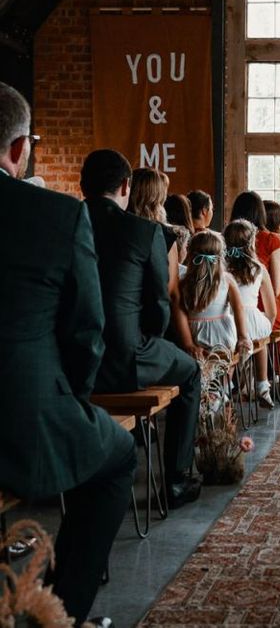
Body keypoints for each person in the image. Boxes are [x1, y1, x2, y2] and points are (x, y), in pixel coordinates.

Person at [0, 83, 136, 626]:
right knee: (117, 456)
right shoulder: (56, 216)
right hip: (23, 417)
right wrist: (75, 402)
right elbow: (87, 331)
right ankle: (61, 611)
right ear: (16, 150)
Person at [81, 150, 202, 509]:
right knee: (192, 372)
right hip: (126, 357)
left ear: (82, 185)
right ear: (125, 186)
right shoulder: (144, 231)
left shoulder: (64, 223)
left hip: (73, 367)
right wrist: (147, 340)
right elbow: (159, 305)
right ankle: (177, 480)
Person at [128, 167, 200, 358]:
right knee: (191, 370)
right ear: (158, 198)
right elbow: (172, 293)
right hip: (154, 327)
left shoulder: (118, 229)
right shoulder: (165, 235)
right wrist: (188, 343)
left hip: (119, 322)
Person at [230, 191, 280, 374]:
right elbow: (275, 288)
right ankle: (265, 379)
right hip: (263, 305)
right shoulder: (272, 239)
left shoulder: (227, 236)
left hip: (231, 309)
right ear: (260, 212)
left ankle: (239, 378)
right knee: (279, 322)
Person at [223, 219, 277, 408]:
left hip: (227, 322)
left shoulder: (221, 269)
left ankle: (224, 389)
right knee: (259, 336)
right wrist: (266, 325)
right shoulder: (259, 269)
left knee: (231, 347)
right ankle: (262, 385)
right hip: (253, 322)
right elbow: (272, 310)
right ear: (252, 243)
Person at [180, 230, 252, 358]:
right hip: (222, 337)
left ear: (191, 256)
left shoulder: (183, 282)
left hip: (194, 336)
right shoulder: (227, 280)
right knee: (224, 364)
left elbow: (180, 314)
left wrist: (189, 344)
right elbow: (238, 308)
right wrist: (243, 337)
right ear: (220, 257)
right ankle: (227, 377)